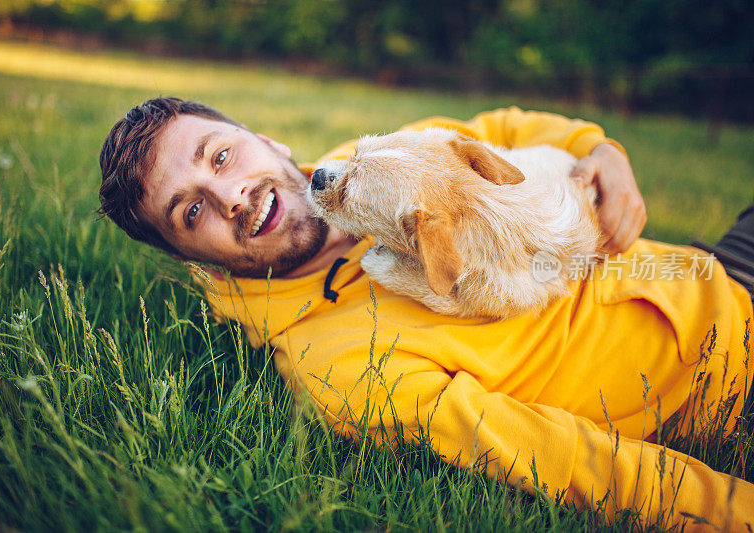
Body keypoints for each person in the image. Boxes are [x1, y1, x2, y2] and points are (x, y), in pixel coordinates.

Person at [99, 97, 754, 530]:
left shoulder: (371, 155)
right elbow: (549, 452)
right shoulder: (334, 362)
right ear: (198, 262)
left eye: (220, 156)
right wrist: (731, 509)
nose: (231, 195)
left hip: (705, 268)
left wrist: (598, 149)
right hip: (724, 377)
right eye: (191, 211)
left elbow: (500, 127)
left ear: (264, 139)